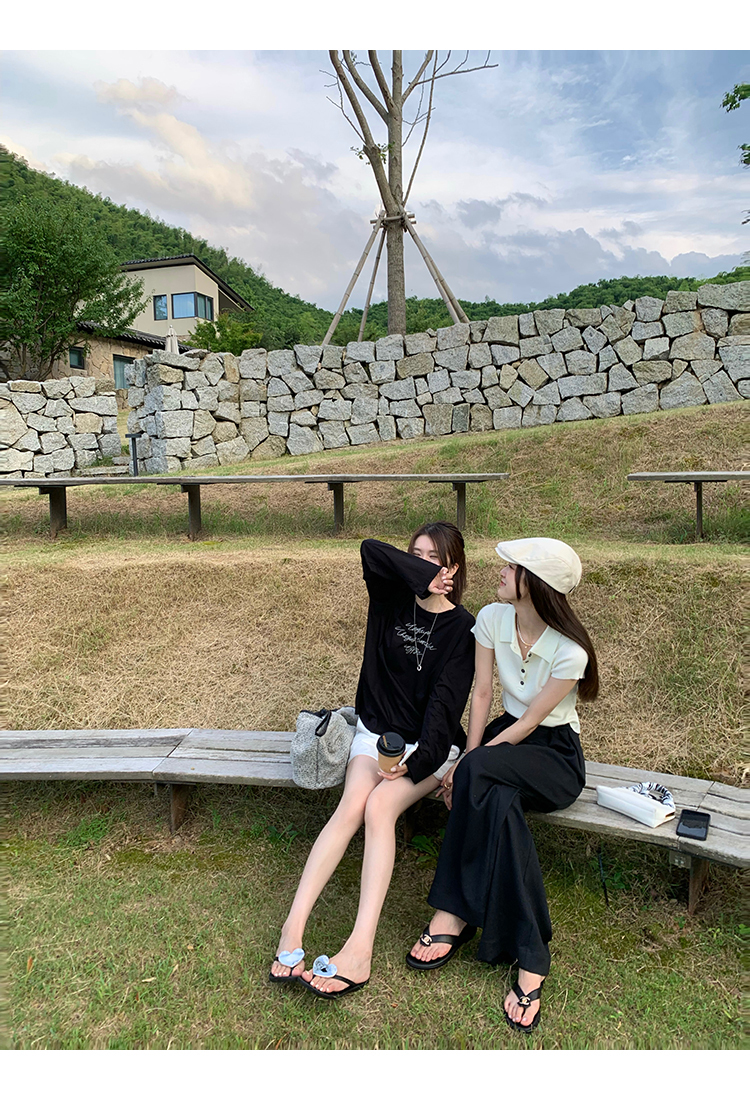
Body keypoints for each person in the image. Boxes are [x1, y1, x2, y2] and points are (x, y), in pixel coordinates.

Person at [269, 522, 475, 998]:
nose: (422, 563)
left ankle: (360, 949)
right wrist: (421, 576)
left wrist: (416, 765)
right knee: (351, 808)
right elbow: (370, 551)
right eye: (416, 554)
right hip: (375, 733)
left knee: (380, 807)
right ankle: (292, 928)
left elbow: (446, 711)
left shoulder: (463, 629)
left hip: (429, 747)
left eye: (434, 558)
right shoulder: (390, 598)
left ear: (453, 567)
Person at [406, 537, 599, 1033]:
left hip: (553, 754)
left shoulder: (570, 652)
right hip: (503, 739)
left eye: (511, 567)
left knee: (478, 774)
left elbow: (533, 721)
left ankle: (453, 914)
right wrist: (471, 755)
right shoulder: (492, 619)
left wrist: (469, 765)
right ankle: (530, 952)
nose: (501, 571)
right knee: (498, 800)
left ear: (536, 583)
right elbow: (483, 693)